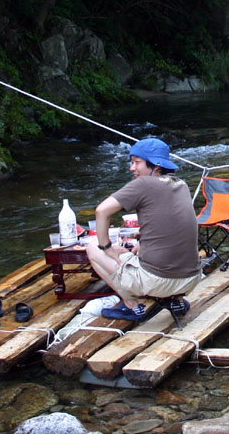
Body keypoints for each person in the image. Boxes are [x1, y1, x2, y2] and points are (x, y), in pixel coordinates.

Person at [86, 137, 202, 322]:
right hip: (192, 278)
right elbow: (171, 224)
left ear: (156, 166)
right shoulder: (181, 184)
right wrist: (141, 243)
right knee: (144, 253)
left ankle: (132, 306)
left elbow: (101, 211)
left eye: (137, 162)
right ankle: (177, 301)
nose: (132, 168)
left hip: (157, 281)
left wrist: (107, 248)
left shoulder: (143, 184)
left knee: (93, 247)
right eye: (131, 162)